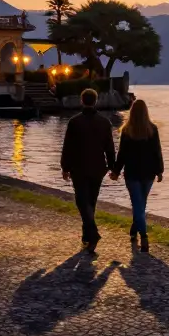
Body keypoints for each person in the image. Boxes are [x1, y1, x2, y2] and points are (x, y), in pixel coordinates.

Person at [60, 88, 115, 254]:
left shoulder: (74, 122)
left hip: (79, 167)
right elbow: (109, 148)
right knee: (91, 201)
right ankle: (88, 236)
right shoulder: (105, 122)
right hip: (98, 167)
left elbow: (68, 147)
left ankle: (92, 234)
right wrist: (112, 167)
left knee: (82, 201)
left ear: (82, 100)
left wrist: (65, 167)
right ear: (96, 101)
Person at [111, 100, 164, 253]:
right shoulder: (152, 129)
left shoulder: (127, 130)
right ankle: (137, 232)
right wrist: (159, 171)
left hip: (132, 172)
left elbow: (122, 154)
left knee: (138, 205)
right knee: (140, 204)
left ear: (132, 112)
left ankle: (141, 234)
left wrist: (115, 171)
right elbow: (157, 152)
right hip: (148, 173)